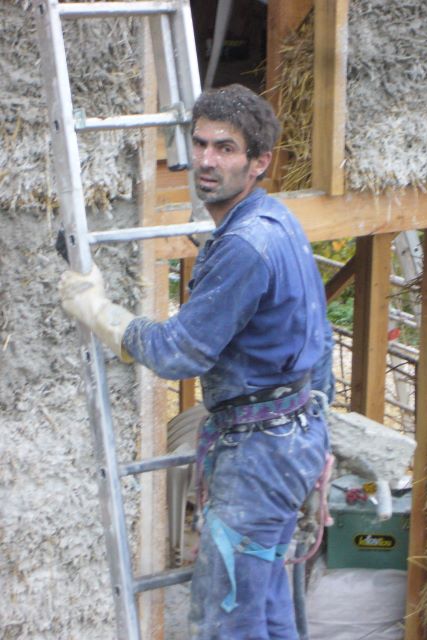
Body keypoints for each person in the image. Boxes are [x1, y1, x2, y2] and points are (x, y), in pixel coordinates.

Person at [60, 84, 334, 640]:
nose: (207, 160)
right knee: (267, 606)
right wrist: (321, 444)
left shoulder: (246, 246)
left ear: (259, 162)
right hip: (290, 439)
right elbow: (321, 340)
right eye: (201, 143)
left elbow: (178, 352)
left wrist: (97, 310)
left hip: (259, 456)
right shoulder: (275, 220)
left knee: (225, 621)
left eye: (226, 148)